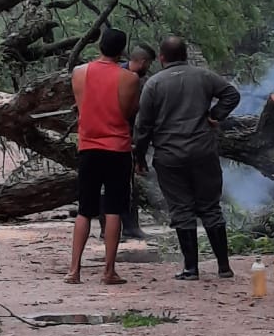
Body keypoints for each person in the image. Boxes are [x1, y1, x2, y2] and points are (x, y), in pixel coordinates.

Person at [133, 35, 240, 280]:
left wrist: (139, 157)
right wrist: (215, 115)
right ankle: (224, 266)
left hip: (170, 156)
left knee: (182, 209)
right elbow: (232, 94)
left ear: (161, 58)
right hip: (204, 151)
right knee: (211, 207)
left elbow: (143, 126)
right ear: (186, 55)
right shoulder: (204, 76)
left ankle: (191, 268)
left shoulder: (154, 84)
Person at [67, 28, 140, 285]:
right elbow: (129, 111)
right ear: (122, 51)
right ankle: (108, 271)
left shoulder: (79, 73)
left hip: (88, 146)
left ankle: (74, 270)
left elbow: (81, 103)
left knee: (84, 210)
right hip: (117, 148)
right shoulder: (129, 78)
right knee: (113, 210)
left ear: (99, 46)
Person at [99, 42, 156, 241]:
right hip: (110, 137)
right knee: (108, 184)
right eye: (148, 63)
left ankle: (131, 227)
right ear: (142, 61)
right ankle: (107, 229)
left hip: (129, 137)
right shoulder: (118, 76)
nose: (148, 67)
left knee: (129, 185)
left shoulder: (141, 80)